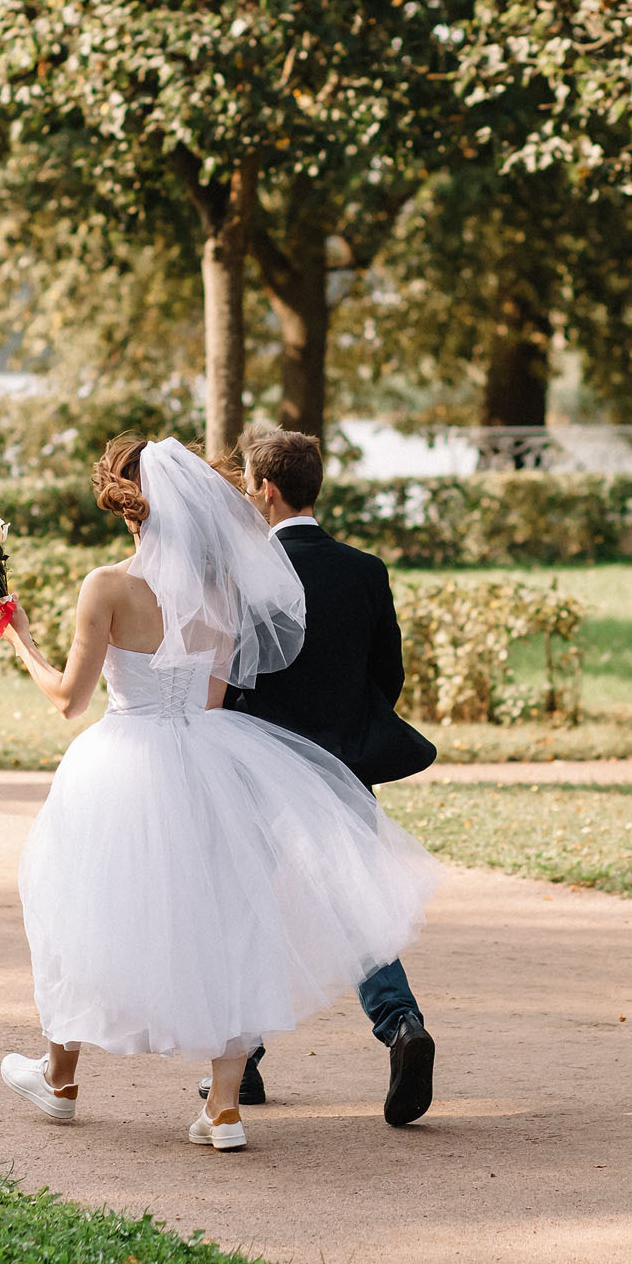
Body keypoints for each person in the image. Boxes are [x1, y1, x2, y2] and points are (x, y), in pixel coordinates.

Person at [0, 436, 441, 1151]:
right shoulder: (223, 592)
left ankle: (60, 1079)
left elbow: (67, 699)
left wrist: (18, 632)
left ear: (126, 506)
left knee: (78, 905)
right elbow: (210, 698)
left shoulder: (107, 586)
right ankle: (224, 1109)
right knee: (230, 922)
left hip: (121, 757)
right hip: (207, 756)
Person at [223, 426, 441, 1125]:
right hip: (342, 766)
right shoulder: (364, 570)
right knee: (355, 905)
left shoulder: (249, 573)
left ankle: (241, 1063)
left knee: (249, 907)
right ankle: (402, 1025)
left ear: (267, 489)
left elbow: (230, 675)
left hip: (262, 766)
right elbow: (389, 676)